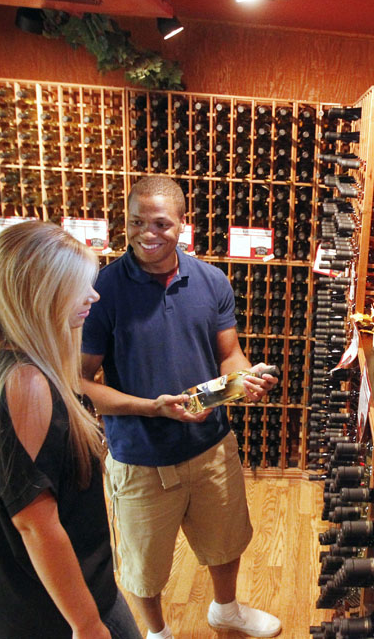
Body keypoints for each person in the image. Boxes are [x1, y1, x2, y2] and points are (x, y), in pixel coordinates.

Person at [80, 175, 281, 639]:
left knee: (226, 540)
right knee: (144, 566)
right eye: (136, 222)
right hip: (141, 457)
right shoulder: (102, 289)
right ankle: (157, 633)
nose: (147, 234)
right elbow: (81, 381)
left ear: (182, 224)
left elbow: (229, 354)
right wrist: (153, 408)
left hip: (211, 444)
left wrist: (245, 379)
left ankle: (226, 611)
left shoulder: (211, 281)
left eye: (160, 224)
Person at [0, 221, 141, 639]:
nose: (93, 295)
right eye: (79, 285)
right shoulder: (25, 382)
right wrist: (87, 624)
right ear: (41, 291)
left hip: (10, 597)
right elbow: (36, 525)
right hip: (52, 611)